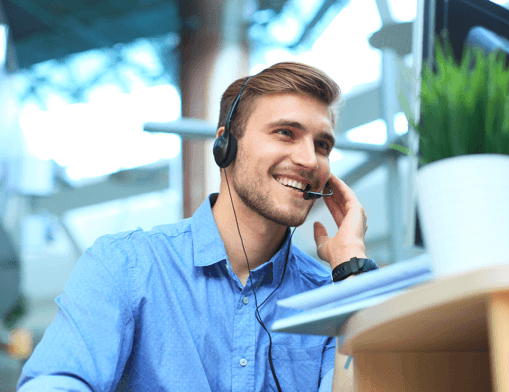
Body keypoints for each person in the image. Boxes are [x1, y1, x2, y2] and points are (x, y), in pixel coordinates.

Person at [18, 62, 375, 391]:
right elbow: (57, 382)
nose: (309, 159)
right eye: (285, 133)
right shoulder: (126, 265)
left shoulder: (330, 295)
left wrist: (352, 267)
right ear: (226, 145)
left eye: (322, 144)